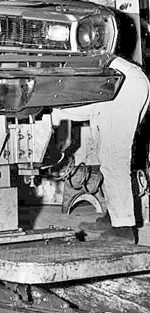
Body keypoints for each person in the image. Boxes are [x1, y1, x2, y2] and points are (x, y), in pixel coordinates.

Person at [51, 56, 150, 243]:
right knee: (107, 156)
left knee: (114, 160)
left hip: (120, 85)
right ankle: (113, 217)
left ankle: (123, 230)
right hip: (114, 85)